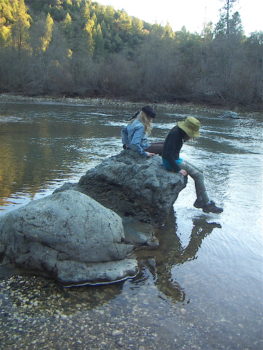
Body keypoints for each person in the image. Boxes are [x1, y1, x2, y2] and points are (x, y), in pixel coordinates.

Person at [162, 116, 223, 214]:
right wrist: (178, 169)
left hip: (175, 159)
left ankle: (200, 200)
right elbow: (167, 154)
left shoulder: (178, 132)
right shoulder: (175, 134)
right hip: (170, 162)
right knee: (198, 175)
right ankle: (206, 203)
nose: (192, 136)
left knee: (200, 172)